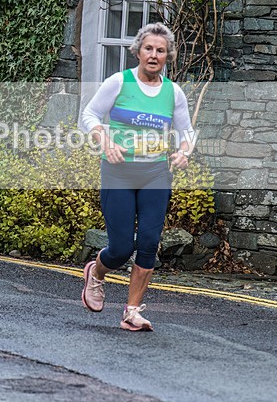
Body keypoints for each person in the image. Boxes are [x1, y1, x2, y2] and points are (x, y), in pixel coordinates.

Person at [79, 22, 195, 331]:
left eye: (160, 50)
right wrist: (104, 140)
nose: (154, 55)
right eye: (148, 49)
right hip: (118, 172)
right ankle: (97, 272)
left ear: (167, 55)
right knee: (120, 249)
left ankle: (132, 311)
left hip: (155, 173)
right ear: (138, 51)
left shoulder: (174, 92)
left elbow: (187, 132)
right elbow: (88, 115)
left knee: (148, 242)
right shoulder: (119, 82)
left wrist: (184, 151)